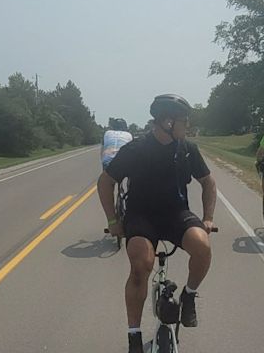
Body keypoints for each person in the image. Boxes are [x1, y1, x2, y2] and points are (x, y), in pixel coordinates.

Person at [97, 94, 217, 353]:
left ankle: (189, 295)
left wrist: (207, 218)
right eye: (185, 121)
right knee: (141, 266)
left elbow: (208, 182)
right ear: (168, 122)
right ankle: (134, 336)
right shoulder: (136, 150)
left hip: (176, 213)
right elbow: (105, 182)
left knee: (202, 247)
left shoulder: (187, 149)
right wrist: (113, 220)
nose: (189, 126)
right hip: (141, 216)